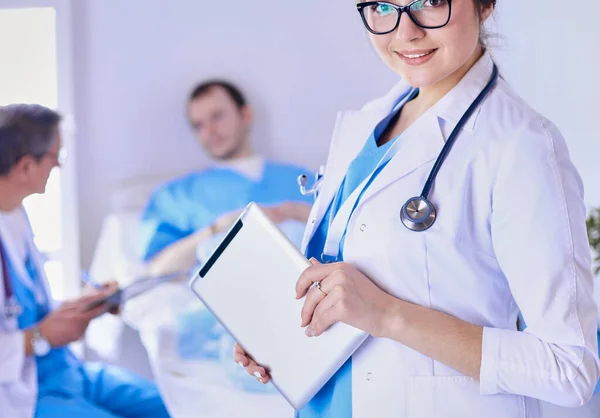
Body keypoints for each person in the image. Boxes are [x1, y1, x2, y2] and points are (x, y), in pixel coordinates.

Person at [235, 1, 600, 417]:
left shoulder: (522, 145)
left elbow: (569, 368)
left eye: (431, 2)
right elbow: (343, 285)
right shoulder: (370, 122)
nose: (405, 31)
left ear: (486, 6)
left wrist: (389, 315)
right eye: (381, 6)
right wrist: (277, 328)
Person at [0, 104, 171, 418]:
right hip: (20, 396)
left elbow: (22, 308)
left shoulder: (15, 213)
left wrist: (81, 306)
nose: (59, 167)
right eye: (56, 158)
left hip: (64, 371)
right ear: (26, 167)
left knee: (174, 407)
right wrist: (42, 335)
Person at [140, 80, 313, 277]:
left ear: (245, 115)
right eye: (198, 125)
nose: (209, 132)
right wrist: (218, 229)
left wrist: (298, 213)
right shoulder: (176, 195)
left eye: (217, 117)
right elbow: (157, 270)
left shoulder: (304, 180)